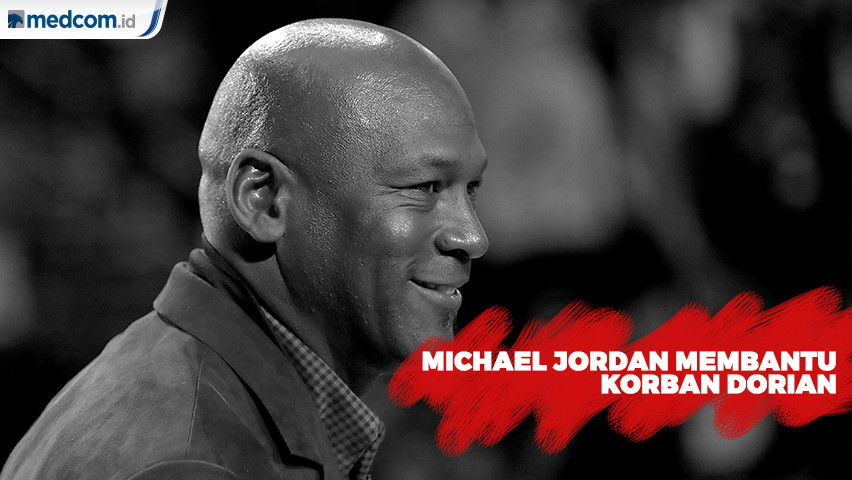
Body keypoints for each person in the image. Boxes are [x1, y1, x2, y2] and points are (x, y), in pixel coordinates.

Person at [0, 18, 488, 480]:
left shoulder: (193, 398)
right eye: (425, 188)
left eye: (471, 190)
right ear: (264, 199)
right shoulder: (190, 463)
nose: (473, 237)